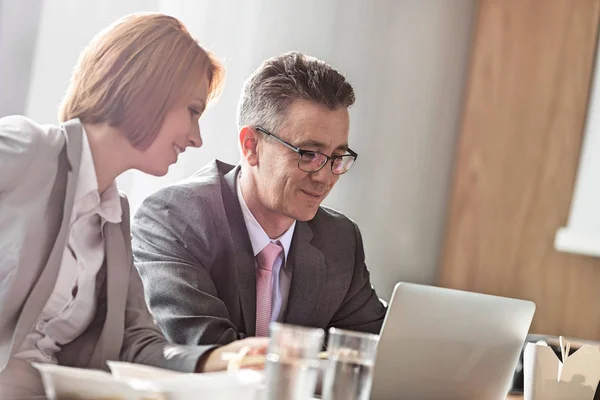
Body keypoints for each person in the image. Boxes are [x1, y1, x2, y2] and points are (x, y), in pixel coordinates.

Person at [0, 13, 266, 398]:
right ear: (148, 91)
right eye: (193, 111)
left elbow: (136, 341)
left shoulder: (114, 218)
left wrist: (221, 358)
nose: (196, 139)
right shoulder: (29, 150)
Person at [132, 52, 387, 350]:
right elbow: (207, 347)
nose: (325, 177)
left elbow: (371, 353)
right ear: (251, 146)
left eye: (336, 158)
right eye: (308, 154)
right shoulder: (175, 218)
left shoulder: (340, 240)